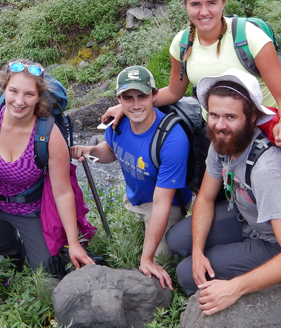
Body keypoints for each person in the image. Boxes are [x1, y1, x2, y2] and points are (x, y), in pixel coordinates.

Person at [165, 68, 281, 315]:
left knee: (186, 275)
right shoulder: (222, 145)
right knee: (176, 241)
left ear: (252, 118)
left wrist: (235, 288)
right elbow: (206, 198)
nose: (220, 126)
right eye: (213, 115)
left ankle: (256, 270)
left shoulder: (267, 169)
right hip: (248, 217)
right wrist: (199, 252)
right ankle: (223, 254)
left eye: (230, 117)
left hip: (273, 241)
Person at [103, 0, 281, 151]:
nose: (204, 12)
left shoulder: (248, 36)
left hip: (261, 129)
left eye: (211, 3)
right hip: (217, 131)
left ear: (223, 2)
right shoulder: (182, 43)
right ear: (186, 6)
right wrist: (130, 106)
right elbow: (173, 92)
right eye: (196, 4)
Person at [0, 60, 94, 272]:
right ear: (3, 88)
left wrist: (75, 243)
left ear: (39, 97)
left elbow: (62, 192)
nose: (19, 101)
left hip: (31, 209)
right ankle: (16, 252)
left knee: (46, 273)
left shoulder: (49, 136)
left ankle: (39, 249)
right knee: (1, 247)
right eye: (13, 91)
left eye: (29, 94)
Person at [70, 66, 192, 290]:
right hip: (136, 196)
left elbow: (161, 203)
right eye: (128, 97)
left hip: (167, 204)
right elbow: (112, 149)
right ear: (119, 99)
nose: (135, 105)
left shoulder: (172, 140)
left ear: (155, 95)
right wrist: (88, 150)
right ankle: (141, 222)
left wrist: (146, 260)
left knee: (158, 264)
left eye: (143, 96)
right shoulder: (118, 123)